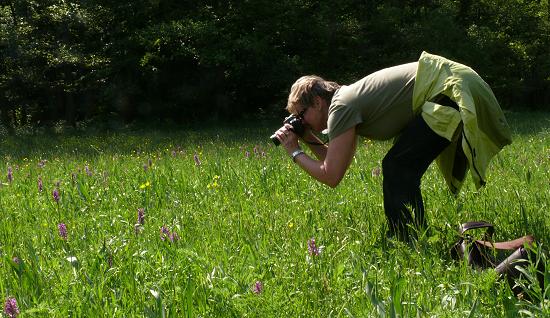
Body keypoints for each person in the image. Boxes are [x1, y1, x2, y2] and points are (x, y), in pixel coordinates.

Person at [273, 51, 512, 240]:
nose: (301, 122)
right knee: (399, 166)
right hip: (452, 83)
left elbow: (331, 176)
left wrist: (294, 151)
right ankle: (412, 234)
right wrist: (307, 138)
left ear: (317, 101)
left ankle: (408, 238)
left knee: (397, 167)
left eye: (300, 115)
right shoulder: (345, 102)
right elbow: (337, 162)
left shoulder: (340, 107)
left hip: (448, 89)